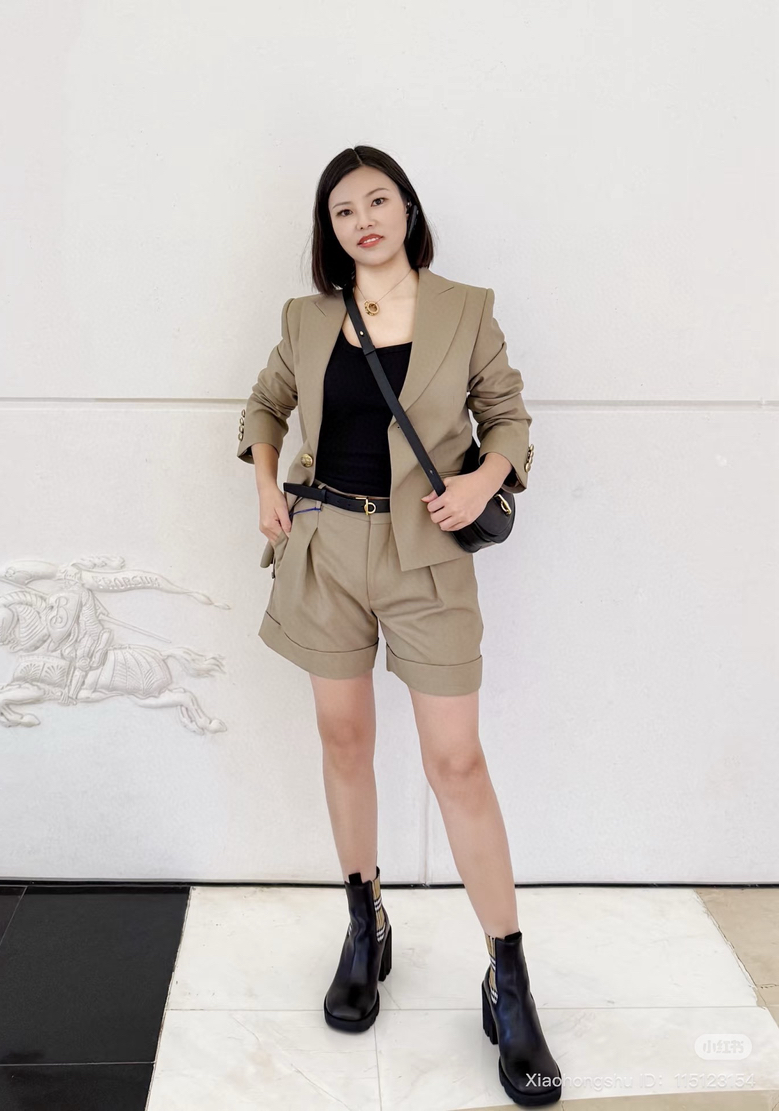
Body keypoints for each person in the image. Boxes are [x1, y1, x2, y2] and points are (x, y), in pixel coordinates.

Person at [236, 145, 561, 1106]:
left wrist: (482, 480)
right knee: (344, 741)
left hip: (428, 556)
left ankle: (509, 980)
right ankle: (364, 925)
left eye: (378, 200)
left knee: (457, 762)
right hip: (325, 546)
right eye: (344, 210)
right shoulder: (306, 319)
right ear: (329, 232)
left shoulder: (466, 308)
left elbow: (509, 420)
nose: (363, 219)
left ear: (407, 211)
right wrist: (266, 486)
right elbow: (265, 405)